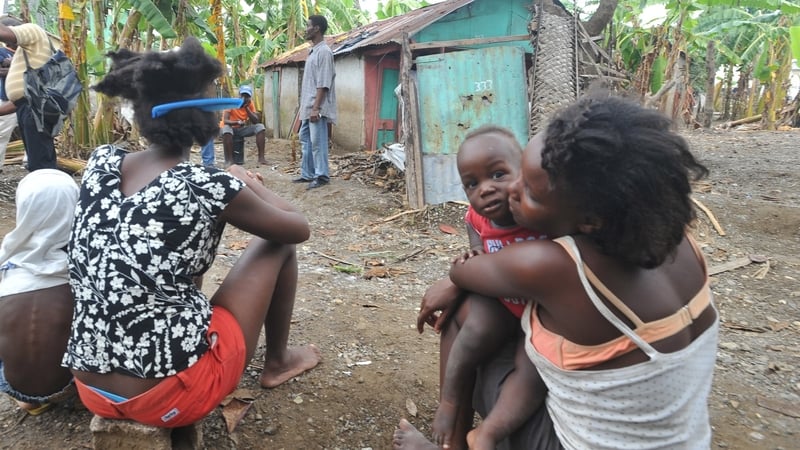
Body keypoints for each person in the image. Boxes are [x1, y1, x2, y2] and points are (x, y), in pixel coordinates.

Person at [395, 93, 718, 450]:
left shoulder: (553, 265)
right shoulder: (667, 237)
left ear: (589, 219)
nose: (510, 192)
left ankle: (454, 444)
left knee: (467, 311)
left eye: (531, 192)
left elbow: (465, 274)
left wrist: (454, 282)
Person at [62, 37, 321, 429]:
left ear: (144, 116)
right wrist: (246, 182)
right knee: (278, 243)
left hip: (91, 389)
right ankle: (279, 361)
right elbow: (298, 228)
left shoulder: (101, 163)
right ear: (205, 118)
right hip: (171, 399)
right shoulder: (205, 184)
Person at [428, 125, 547, 449]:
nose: (485, 189)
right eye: (472, 183)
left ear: (523, 173)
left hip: (541, 316)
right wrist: (475, 252)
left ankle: (490, 432)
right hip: (504, 303)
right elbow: (475, 233)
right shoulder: (479, 217)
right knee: (474, 329)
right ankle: (450, 403)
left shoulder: (539, 216)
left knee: (531, 368)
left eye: (497, 174)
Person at [0, 169, 78, 415]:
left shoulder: (7, 269)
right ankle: (81, 397)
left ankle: (30, 401)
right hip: (71, 382)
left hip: (14, 384)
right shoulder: (82, 270)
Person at [0, 19, 60, 171]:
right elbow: (21, 98)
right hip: (29, 106)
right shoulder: (26, 51)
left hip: (34, 108)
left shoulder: (32, 30)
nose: (6, 44)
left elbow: (4, 33)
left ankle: (46, 191)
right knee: (38, 158)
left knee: (39, 162)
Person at [292, 14, 336, 190]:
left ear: (316, 28)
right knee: (305, 139)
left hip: (316, 107)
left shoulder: (324, 52)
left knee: (318, 142)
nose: (306, 29)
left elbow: (323, 83)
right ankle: (308, 173)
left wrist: (316, 108)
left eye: (308, 26)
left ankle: (322, 175)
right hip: (308, 106)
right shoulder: (313, 52)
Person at [221, 84, 267, 167]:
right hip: (230, 128)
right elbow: (225, 120)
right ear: (239, 95)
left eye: (247, 96)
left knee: (260, 127)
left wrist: (246, 108)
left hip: (241, 129)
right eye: (243, 95)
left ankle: (261, 158)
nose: (244, 98)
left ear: (250, 97)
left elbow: (256, 121)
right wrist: (237, 122)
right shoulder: (231, 102)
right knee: (227, 129)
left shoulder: (250, 104)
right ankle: (230, 160)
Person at [0, 17, 21, 172]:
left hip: (24, 101)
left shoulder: (25, 51)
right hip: (6, 100)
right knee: (1, 136)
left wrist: (12, 65)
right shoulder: (2, 52)